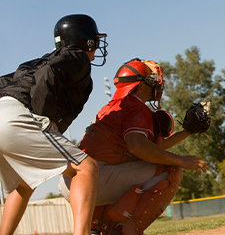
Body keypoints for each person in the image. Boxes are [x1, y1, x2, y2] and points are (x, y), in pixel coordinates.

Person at [59, 58, 209, 235]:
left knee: (128, 169)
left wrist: (187, 132)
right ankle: (125, 230)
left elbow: (153, 147)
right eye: (150, 81)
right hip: (93, 179)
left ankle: (98, 227)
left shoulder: (110, 107)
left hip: (72, 181)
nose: (155, 85)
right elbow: (138, 146)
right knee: (172, 170)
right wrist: (182, 160)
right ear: (140, 86)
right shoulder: (136, 107)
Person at [0, 14, 107, 235]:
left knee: (23, 183)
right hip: (14, 117)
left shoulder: (37, 60)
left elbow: (4, 81)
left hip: (4, 110)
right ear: (88, 40)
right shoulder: (78, 57)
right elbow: (48, 74)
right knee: (85, 169)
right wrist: (46, 119)